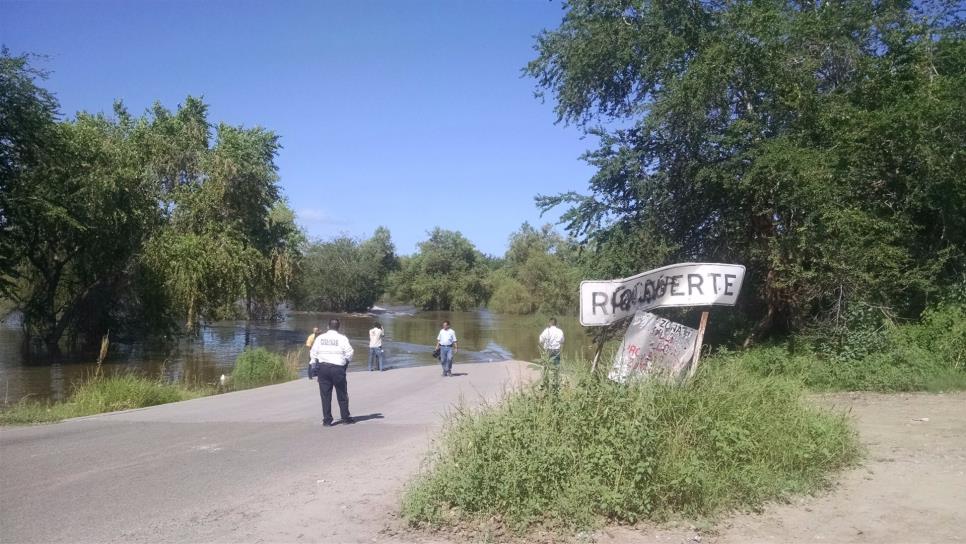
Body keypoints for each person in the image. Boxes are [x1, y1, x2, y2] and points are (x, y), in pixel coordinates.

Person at [310, 319, 354, 426]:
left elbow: (313, 353)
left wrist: (313, 366)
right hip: (338, 368)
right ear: (338, 327)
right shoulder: (342, 338)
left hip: (323, 368)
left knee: (325, 395)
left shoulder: (320, 338)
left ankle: (327, 420)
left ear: (328, 326)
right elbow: (350, 352)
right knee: (342, 394)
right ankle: (345, 418)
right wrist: (345, 363)